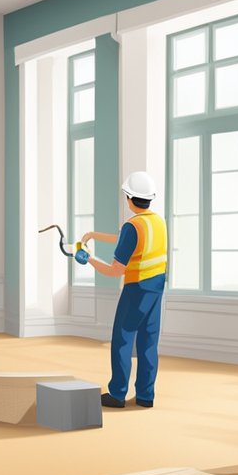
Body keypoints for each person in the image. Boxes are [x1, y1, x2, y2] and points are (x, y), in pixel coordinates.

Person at [78, 171, 168, 409]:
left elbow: (115, 270)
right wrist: (93, 235)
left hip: (136, 289)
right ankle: (146, 396)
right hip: (156, 289)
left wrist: (88, 259)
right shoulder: (157, 222)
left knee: (123, 340)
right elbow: (124, 237)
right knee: (149, 343)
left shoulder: (132, 226)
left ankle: (117, 394)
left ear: (129, 197)